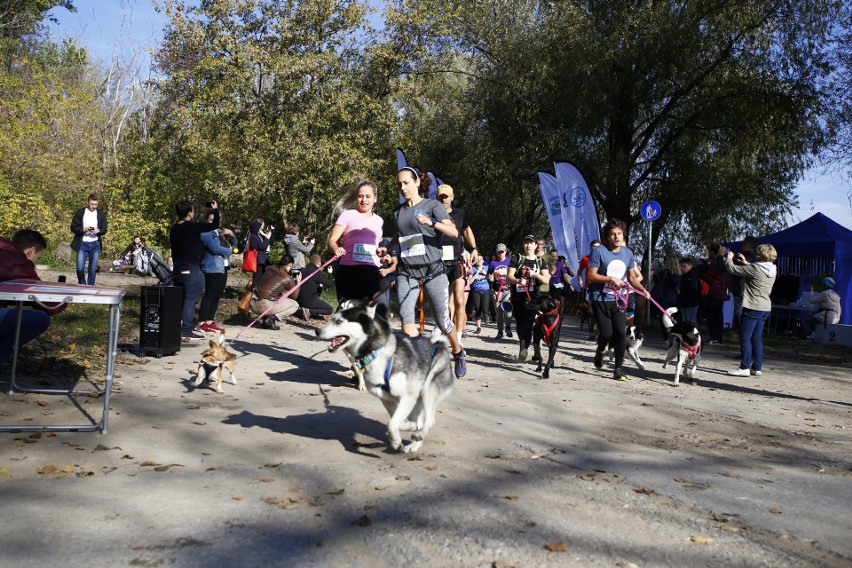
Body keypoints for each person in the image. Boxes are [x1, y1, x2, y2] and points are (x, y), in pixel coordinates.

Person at [378, 166, 467, 378]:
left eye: (406, 183)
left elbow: (454, 232)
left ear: (417, 182)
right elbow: (401, 236)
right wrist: (387, 248)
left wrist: (432, 223)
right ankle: (420, 363)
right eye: (399, 184)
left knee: (443, 321)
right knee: (406, 319)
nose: (402, 187)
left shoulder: (432, 206)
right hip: (407, 272)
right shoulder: (398, 211)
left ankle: (457, 351)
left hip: (433, 271)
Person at [587, 219, 650, 381]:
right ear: (607, 237)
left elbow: (631, 277)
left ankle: (618, 369)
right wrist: (610, 279)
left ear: (623, 235)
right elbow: (591, 275)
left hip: (619, 299)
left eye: (619, 234)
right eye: (613, 234)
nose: (616, 237)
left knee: (621, 333)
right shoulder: (599, 252)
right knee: (607, 334)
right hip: (600, 298)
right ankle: (600, 350)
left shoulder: (627, 253)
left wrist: (643, 289)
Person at [0, 230, 67, 360]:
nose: (35, 262)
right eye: (38, 257)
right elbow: (47, 305)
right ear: (31, 251)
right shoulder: (19, 263)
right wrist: (64, 298)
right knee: (40, 319)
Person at [326, 180, 384, 304]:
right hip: (349, 269)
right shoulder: (347, 215)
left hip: (371, 271)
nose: (364, 200)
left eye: (368, 196)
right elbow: (332, 240)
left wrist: (384, 255)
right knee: (346, 310)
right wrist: (336, 248)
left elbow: (377, 246)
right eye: (360, 196)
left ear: (375, 198)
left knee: (366, 312)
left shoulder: (379, 220)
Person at [170, 199, 220, 341]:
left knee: (180, 299)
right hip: (191, 268)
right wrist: (215, 209)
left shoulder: (174, 228)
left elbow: (174, 249)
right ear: (190, 213)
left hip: (178, 267)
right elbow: (215, 225)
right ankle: (186, 330)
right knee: (190, 301)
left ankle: (177, 327)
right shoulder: (192, 226)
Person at [724, 244, 777, 376]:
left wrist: (729, 258)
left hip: (753, 306)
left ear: (760, 254)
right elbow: (757, 270)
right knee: (757, 338)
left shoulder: (755, 268)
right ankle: (757, 367)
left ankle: (744, 367)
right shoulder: (772, 269)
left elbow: (732, 269)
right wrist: (746, 262)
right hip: (765, 307)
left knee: (745, 337)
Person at [437, 184, 478, 340]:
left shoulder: (459, 214)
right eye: (440, 196)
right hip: (438, 263)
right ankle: (444, 331)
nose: (443, 200)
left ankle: (459, 338)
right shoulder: (431, 214)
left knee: (460, 300)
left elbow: (467, 230)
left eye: (446, 196)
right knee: (444, 302)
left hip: (456, 261)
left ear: (452, 197)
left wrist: (474, 248)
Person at [507, 235, 551, 361]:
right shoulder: (517, 259)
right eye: (526, 243)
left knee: (527, 322)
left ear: (535, 245)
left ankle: (523, 349)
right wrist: (518, 280)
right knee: (520, 325)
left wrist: (535, 275)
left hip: (532, 298)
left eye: (531, 243)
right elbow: (509, 277)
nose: (528, 246)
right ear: (523, 245)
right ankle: (524, 345)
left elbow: (546, 279)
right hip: (517, 297)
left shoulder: (540, 261)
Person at [198, 210, 236, 334]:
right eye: (210, 220)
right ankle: (202, 322)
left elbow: (235, 245)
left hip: (222, 266)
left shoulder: (220, 232)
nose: (213, 222)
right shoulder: (206, 233)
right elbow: (215, 249)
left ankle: (210, 320)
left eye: (216, 220)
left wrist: (231, 233)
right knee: (209, 294)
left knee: (217, 294)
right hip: (212, 267)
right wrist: (229, 251)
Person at [250, 254, 301, 329]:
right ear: (290, 265)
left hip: (252, 303)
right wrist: (298, 283)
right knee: (295, 305)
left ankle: (266, 321)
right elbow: (294, 297)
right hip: (263, 306)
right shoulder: (287, 278)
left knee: (274, 296)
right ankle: (271, 318)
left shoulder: (270, 268)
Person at [70, 193, 108, 285]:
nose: (94, 206)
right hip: (82, 243)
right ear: (88, 202)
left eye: (96, 204)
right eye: (92, 204)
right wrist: (83, 229)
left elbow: (104, 229)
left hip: (95, 244)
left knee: (92, 269)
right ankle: (82, 285)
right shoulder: (80, 212)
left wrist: (97, 231)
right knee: (80, 268)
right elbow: (73, 227)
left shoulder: (101, 214)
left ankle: (90, 288)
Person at [702, 243, 729, 345]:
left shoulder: (715, 263)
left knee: (711, 316)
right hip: (722, 293)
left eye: (709, 251)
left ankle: (714, 337)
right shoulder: (724, 262)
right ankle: (719, 337)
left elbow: (708, 276)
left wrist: (704, 268)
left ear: (713, 252)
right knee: (719, 316)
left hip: (714, 292)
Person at [651, 254, 682, 340]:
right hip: (674, 298)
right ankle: (675, 336)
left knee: (664, 318)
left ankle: (666, 337)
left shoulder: (663, 272)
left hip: (664, 297)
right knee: (674, 318)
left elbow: (655, 280)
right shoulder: (679, 275)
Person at [730, 235, 758, 325]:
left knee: (742, 315)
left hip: (741, 290)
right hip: (750, 291)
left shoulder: (743, 257)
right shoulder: (757, 258)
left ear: (747, 244)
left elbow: (732, 268)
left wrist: (729, 259)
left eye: (743, 243)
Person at [488, 243, 513, 339]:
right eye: (498, 252)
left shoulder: (510, 261)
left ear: (505, 252)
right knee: (498, 312)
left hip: (507, 289)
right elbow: (489, 275)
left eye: (502, 252)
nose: (500, 254)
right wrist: (490, 278)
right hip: (496, 291)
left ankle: (508, 327)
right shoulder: (493, 263)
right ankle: (500, 332)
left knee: (508, 310)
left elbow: (514, 274)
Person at [297, 254, 334, 319]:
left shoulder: (304, 269)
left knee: (319, 288)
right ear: (319, 263)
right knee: (329, 309)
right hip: (308, 300)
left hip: (300, 299)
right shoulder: (315, 272)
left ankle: (306, 310)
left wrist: (319, 285)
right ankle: (309, 311)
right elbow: (329, 284)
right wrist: (330, 273)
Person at [578, 239, 601, 339]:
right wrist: (580, 279)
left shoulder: (603, 259)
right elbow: (579, 271)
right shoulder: (585, 259)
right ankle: (591, 330)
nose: (595, 248)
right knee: (590, 307)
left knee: (600, 308)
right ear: (591, 248)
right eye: (594, 247)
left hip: (602, 287)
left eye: (598, 247)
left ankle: (598, 328)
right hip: (589, 286)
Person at [466, 253, 493, 334]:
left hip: (485, 290)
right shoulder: (473, 269)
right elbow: (469, 282)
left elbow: (491, 280)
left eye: (480, 259)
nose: (479, 261)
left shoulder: (487, 267)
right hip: (476, 291)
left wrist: (484, 273)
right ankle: (478, 327)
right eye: (477, 259)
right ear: (475, 261)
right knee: (477, 309)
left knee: (484, 308)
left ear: (483, 261)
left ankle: (485, 314)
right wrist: (477, 273)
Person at [246, 220, 272, 288]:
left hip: (261, 260)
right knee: (256, 279)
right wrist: (267, 238)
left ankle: (256, 293)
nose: (260, 229)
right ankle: (251, 294)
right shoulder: (253, 237)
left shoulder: (257, 236)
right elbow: (263, 247)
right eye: (260, 228)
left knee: (260, 278)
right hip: (258, 260)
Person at [676, 257, 701, 325]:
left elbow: (693, 289)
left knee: (691, 322)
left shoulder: (693, 276)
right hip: (684, 303)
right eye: (681, 266)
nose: (682, 268)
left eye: (684, 266)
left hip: (691, 303)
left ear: (690, 266)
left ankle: (692, 334)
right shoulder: (684, 276)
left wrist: (682, 291)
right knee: (685, 322)